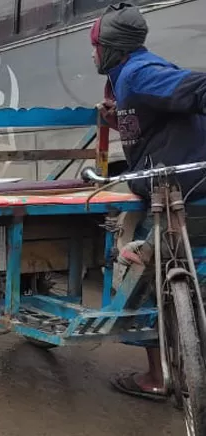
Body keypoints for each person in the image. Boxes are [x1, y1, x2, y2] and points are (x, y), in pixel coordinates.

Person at [91, 3, 206, 400]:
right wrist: (114, 118)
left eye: (96, 46)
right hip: (186, 187)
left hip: (173, 190)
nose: (93, 54)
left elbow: (193, 89)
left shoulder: (139, 72)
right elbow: (152, 119)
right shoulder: (131, 76)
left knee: (135, 268)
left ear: (110, 48)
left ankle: (157, 377)